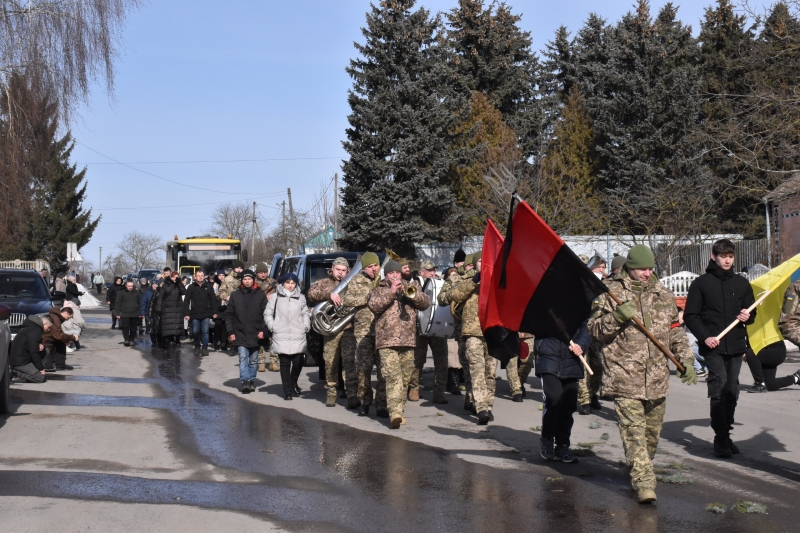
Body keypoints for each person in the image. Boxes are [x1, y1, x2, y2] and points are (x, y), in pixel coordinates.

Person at [589, 244, 696, 503]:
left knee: (651, 435)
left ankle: (638, 467)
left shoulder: (663, 293)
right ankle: (644, 482)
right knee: (633, 432)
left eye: (650, 268)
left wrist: (686, 359)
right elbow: (594, 330)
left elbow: (674, 330)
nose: (647, 273)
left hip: (657, 376)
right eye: (642, 269)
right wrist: (616, 317)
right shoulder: (609, 292)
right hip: (624, 375)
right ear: (630, 268)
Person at [684, 238, 755, 459]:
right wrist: (705, 337)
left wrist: (748, 315)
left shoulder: (741, 283)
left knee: (732, 390)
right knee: (720, 386)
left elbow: (752, 313)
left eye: (730, 256)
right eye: (723, 256)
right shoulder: (701, 284)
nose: (727, 260)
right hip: (712, 346)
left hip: (735, 345)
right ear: (714, 257)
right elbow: (691, 316)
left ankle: (726, 433)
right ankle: (720, 438)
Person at [367, 260, 430, 428]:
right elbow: (374, 306)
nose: (395, 276)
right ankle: (394, 412)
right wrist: (392, 292)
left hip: (408, 341)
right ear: (386, 275)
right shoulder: (378, 290)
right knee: (393, 376)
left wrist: (413, 295)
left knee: (404, 378)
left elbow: (425, 303)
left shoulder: (410, 286)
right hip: (386, 341)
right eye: (391, 273)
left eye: (397, 273)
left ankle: (398, 411)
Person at [449, 251, 496, 425]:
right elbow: (455, 295)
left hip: (492, 332)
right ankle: (481, 407)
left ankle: (488, 406)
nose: (483, 263)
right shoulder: (467, 280)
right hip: (473, 332)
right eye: (480, 261)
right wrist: (475, 280)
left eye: (486, 261)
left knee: (490, 372)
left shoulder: (496, 280)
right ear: (475, 264)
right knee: (476, 370)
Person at [536, 320, 592, 463]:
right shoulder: (541, 309)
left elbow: (585, 328)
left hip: (572, 360)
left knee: (568, 405)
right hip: (549, 358)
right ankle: (547, 439)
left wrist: (581, 345)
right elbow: (535, 327)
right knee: (554, 399)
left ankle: (562, 445)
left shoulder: (578, 309)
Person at [307, 257, 358, 408]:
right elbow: (311, 293)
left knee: (349, 361)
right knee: (330, 361)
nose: (340, 273)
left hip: (349, 327)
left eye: (343, 270)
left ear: (348, 271)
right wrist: (330, 294)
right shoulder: (324, 283)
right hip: (331, 329)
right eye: (338, 270)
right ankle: (331, 391)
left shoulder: (353, 283)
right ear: (332, 269)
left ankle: (351, 393)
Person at [340, 252, 385, 417]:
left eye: (376, 265)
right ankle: (365, 402)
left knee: (383, 370)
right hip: (363, 332)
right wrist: (368, 297)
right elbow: (347, 300)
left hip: (383, 331)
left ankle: (381, 405)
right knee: (363, 369)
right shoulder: (357, 280)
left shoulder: (385, 280)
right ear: (364, 268)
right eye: (370, 266)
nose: (373, 269)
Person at [409, 260, 449, 404]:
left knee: (442, 360)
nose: (432, 273)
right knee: (418, 360)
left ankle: (439, 392)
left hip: (437, 327)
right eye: (429, 270)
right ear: (421, 272)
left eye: (433, 270)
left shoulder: (440, 283)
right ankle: (414, 388)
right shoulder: (414, 284)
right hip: (419, 328)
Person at [266, 272, 309, 400]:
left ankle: (293, 381)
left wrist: (306, 326)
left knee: (298, 362)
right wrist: (272, 326)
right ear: (283, 283)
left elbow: (305, 313)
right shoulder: (275, 297)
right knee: (284, 364)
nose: (290, 285)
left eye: (293, 283)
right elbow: (268, 313)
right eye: (287, 283)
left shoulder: (301, 297)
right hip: (281, 333)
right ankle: (287, 391)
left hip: (298, 333)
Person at [226, 269, 267, 394]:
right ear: (241, 281)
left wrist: (263, 330)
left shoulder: (260, 295)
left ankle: (252, 380)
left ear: (253, 280)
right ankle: (245, 381)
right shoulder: (235, 295)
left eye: (249, 279)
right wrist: (231, 332)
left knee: (253, 360)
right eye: (245, 279)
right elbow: (229, 315)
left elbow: (266, 314)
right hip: (240, 331)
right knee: (243, 357)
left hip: (256, 332)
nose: (247, 281)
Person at [183, 270, 217, 356]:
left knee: (205, 330)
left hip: (206, 312)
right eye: (198, 275)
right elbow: (186, 301)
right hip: (195, 313)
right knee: (195, 331)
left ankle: (205, 347)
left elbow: (213, 300)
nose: (200, 277)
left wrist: (214, 312)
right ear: (195, 277)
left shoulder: (209, 286)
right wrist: (186, 313)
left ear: (204, 276)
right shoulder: (191, 287)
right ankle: (197, 346)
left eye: (202, 275)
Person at [10, 314, 51, 383]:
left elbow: (32, 347)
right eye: (49, 327)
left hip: (24, 358)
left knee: (45, 351)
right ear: (45, 324)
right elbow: (34, 352)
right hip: (20, 362)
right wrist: (40, 369)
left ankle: (31, 372)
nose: (49, 330)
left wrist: (40, 347)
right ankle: (16, 373)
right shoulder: (35, 331)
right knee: (40, 378)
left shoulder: (33, 328)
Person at [254, 263, 277, 372]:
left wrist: (273, 296)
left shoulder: (273, 282)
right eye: (261, 272)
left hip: (272, 313)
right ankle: (261, 362)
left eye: (265, 272)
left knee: (274, 337)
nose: (263, 274)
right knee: (260, 339)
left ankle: (274, 361)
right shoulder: (253, 283)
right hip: (258, 313)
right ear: (257, 273)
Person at [219, 261, 245, 354]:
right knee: (232, 325)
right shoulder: (228, 279)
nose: (239, 270)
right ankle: (233, 345)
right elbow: (221, 291)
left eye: (241, 268)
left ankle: (241, 345)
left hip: (244, 306)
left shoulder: (246, 278)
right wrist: (226, 297)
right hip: (231, 305)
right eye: (237, 268)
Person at [43, 306, 79, 372]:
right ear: (65, 313)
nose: (67, 320)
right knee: (58, 342)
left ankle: (60, 365)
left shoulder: (56, 317)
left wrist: (66, 339)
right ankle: (48, 365)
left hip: (48, 337)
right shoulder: (55, 318)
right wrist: (72, 337)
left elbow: (59, 334)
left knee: (61, 343)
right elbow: (59, 335)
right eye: (68, 317)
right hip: (45, 339)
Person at [158, 269, 187, 347]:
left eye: (177, 277)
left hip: (177, 308)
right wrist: (159, 307)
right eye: (174, 277)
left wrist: (179, 283)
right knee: (168, 325)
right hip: (167, 308)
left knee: (177, 325)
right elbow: (161, 296)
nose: (175, 279)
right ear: (171, 277)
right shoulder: (166, 284)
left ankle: (177, 340)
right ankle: (168, 340)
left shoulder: (179, 284)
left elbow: (184, 292)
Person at [116, 280, 143, 347]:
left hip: (134, 313)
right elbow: (118, 303)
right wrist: (117, 313)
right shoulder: (121, 292)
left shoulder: (137, 293)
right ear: (126, 286)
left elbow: (140, 303)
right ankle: (126, 339)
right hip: (124, 313)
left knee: (133, 328)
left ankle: (131, 340)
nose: (130, 287)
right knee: (125, 327)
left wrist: (141, 313)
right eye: (129, 286)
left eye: (131, 286)